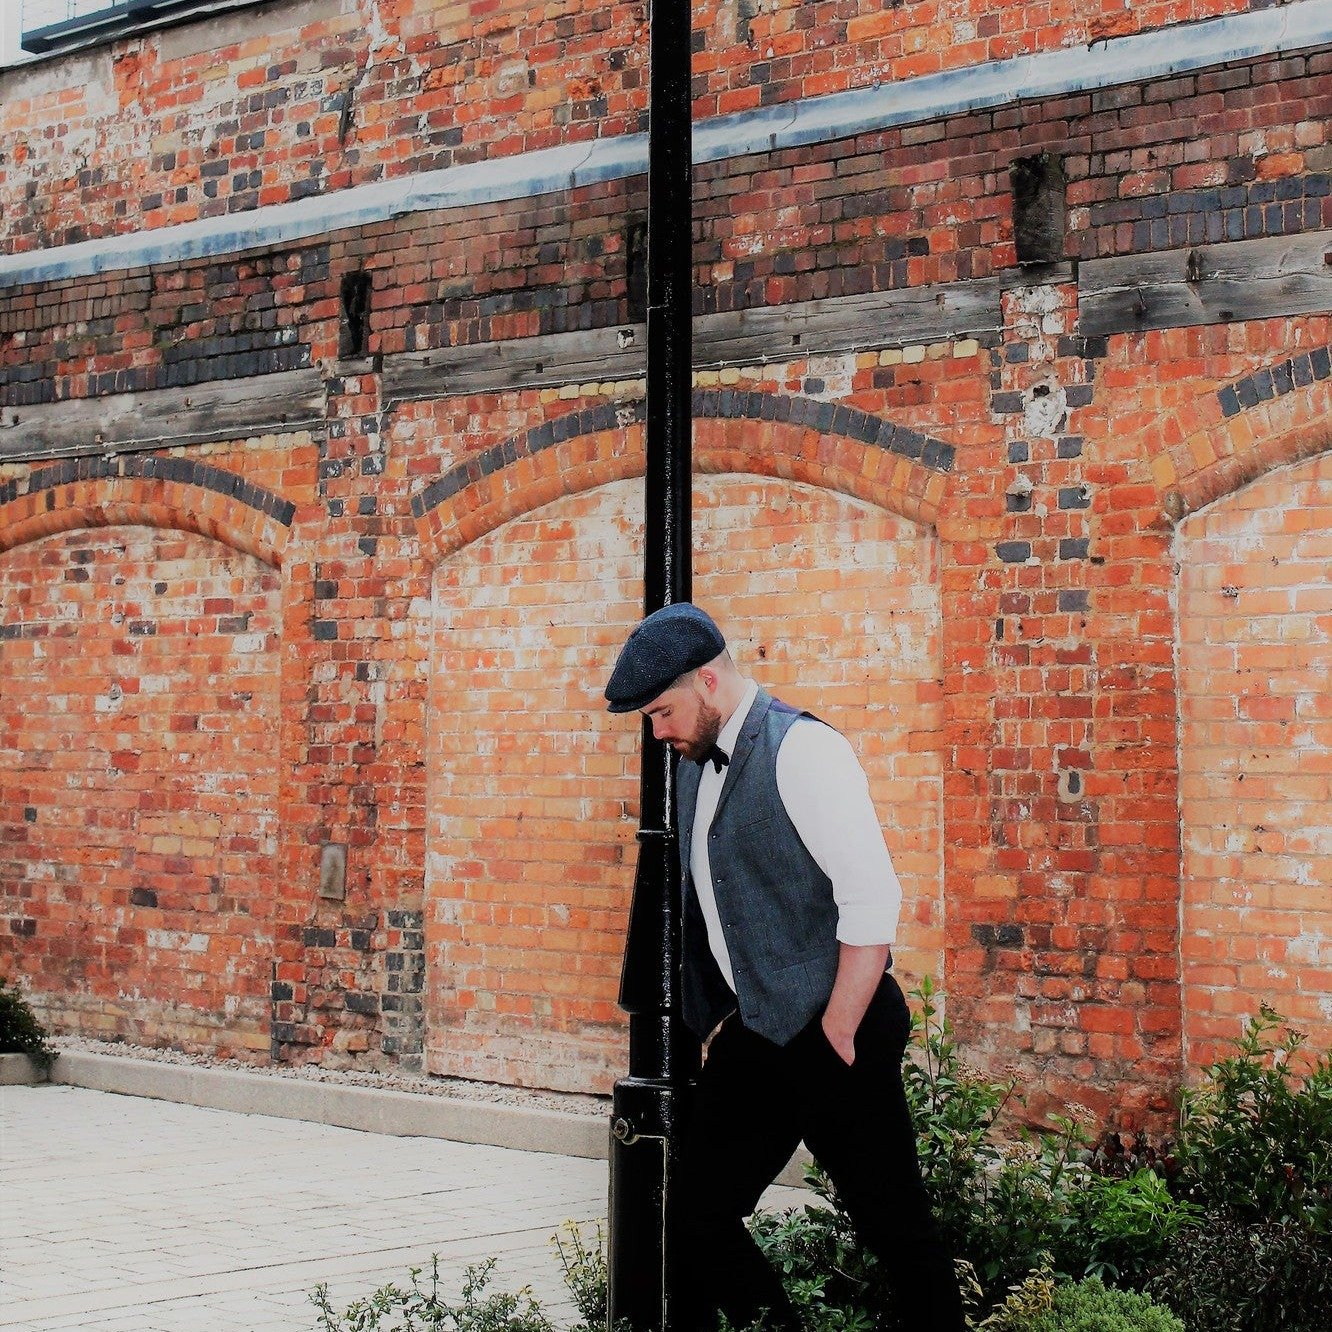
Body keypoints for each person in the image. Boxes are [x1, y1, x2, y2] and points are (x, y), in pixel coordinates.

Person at [604, 603, 963, 1332]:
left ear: (708, 681)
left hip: (841, 1030)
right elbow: (713, 905)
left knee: (898, 1233)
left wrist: (836, 1028)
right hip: (759, 1034)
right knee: (698, 1219)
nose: (658, 730)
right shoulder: (693, 771)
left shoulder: (803, 750)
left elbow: (872, 898)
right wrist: (719, 1019)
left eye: (664, 711)